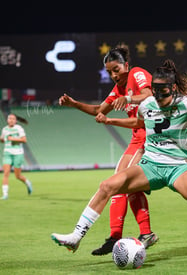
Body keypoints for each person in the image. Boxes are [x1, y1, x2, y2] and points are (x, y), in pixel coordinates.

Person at [50, 59, 187, 264]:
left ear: (173, 88)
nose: (158, 97)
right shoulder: (147, 105)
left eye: (163, 92)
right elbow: (139, 123)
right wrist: (110, 120)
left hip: (179, 167)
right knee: (107, 185)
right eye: (155, 91)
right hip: (150, 165)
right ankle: (76, 237)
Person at [58, 45, 158, 255]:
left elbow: (149, 95)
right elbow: (98, 109)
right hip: (136, 138)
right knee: (119, 183)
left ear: (126, 65)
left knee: (123, 183)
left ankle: (136, 234)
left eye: (116, 69)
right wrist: (74, 104)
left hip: (151, 136)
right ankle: (121, 236)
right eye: (109, 72)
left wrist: (128, 99)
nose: (114, 75)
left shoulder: (137, 74)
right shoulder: (118, 89)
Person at [0, 113, 33, 200]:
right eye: (10, 118)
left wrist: (13, 139)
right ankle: (5, 194)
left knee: (17, 176)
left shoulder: (19, 129)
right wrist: (0, 139)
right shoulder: (4, 129)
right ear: (7, 120)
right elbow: (4, 140)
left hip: (18, 153)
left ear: (16, 121)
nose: (11, 120)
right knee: (6, 173)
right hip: (7, 153)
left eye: (13, 119)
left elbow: (24, 140)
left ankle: (27, 183)